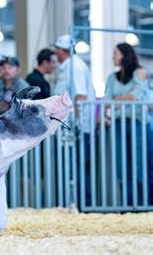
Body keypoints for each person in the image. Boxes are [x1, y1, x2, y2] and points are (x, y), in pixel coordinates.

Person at [104, 42, 152, 205]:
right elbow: (106, 101)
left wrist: (117, 100)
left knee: (140, 166)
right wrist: (122, 100)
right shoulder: (112, 77)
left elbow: (136, 96)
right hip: (118, 125)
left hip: (138, 124)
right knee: (121, 168)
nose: (113, 56)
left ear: (125, 55)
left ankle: (145, 205)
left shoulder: (140, 72)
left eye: (115, 53)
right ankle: (128, 206)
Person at [52, 34, 95, 205]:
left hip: (76, 128)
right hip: (70, 127)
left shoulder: (74, 66)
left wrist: (77, 124)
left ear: (61, 50)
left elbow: (80, 96)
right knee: (72, 167)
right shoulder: (69, 66)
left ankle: (81, 204)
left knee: (75, 167)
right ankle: (76, 203)